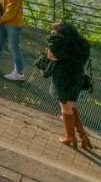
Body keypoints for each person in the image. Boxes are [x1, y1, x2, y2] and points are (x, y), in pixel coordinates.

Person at [39, 21, 94, 149]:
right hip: (77, 78)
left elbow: (51, 57)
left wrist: (51, 44)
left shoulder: (59, 44)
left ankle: (70, 137)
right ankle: (83, 137)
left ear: (60, 33)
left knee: (66, 108)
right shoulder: (82, 44)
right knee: (71, 105)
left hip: (63, 78)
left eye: (54, 32)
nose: (52, 34)